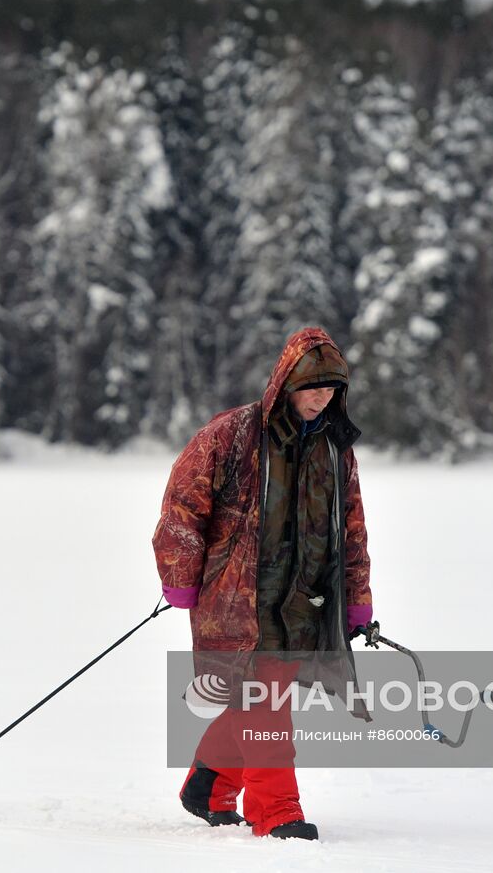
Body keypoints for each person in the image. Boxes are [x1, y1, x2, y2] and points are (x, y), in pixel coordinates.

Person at [152, 326, 376, 841]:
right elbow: (182, 510)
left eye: (332, 388)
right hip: (237, 599)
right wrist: (180, 579)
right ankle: (276, 811)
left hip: (304, 601)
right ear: (285, 382)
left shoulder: (336, 450)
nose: (322, 397)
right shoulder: (230, 435)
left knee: (259, 698)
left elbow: (352, 530)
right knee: (265, 703)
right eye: (312, 386)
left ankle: (207, 786)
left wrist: (356, 599)